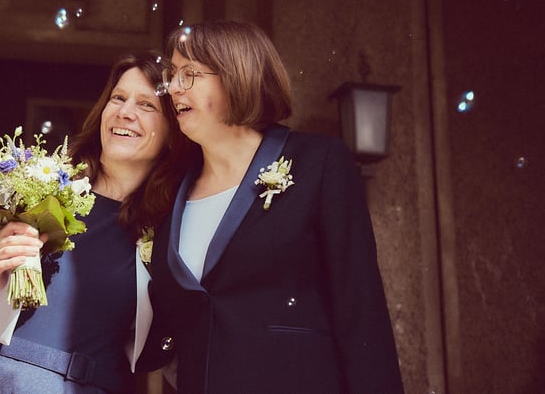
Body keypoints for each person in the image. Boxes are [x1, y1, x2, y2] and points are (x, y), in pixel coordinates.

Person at [143, 21, 404, 394]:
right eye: (171, 75)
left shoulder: (318, 162)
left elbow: (361, 310)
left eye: (190, 74)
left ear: (237, 76)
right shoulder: (171, 192)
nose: (174, 88)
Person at [0, 54, 189, 394]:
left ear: (172, 132)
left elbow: (184, 349)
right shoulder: (33, 184)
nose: (126, 112)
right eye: (118, 98)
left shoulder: (171, 231)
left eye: (146, 105)